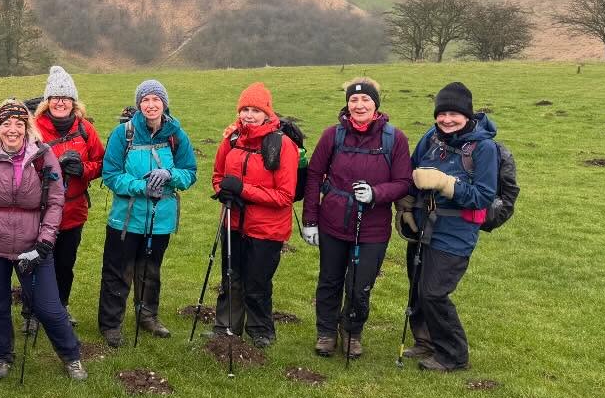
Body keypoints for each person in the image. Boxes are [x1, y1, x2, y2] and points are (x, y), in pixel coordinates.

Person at [0, 98, 85, 379]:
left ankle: (71, 355)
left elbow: (55, 202)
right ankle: (2, 355)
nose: (12, 129)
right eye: (6, 124)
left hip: (33, 246)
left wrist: (44, 243)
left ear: (28, 127)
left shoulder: (43, 156)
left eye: (19, 123)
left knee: (49, 307)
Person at [300, 78, 413, 358]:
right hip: (333, 223)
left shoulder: (394, 138)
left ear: (376, 104)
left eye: (365, 100)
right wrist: (310, 220)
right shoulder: (332, 136)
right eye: (353, 100)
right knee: (330, 280)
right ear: (347, 104)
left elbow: (403, 182)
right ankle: (326, 332)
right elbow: (314, 176)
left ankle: (351, 331)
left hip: (372, 227)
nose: (359, 105)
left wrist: (376, 193)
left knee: (359, 285)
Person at [402, 81, 499, 372]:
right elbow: (412, 170)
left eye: (454, 114)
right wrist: (406, 205)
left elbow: (483, 196)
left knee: (434, 292)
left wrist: (446, 184)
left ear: (467, 115)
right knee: (418, 286)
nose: (446, 119)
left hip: (456, 231)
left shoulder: (483, 148)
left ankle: (454, 355)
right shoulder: (431, 137)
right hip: (422, 224)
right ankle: (425, 341)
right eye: (441, 114)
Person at [98, 80, 197, 347]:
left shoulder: (177, 135)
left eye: (156, 100)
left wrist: (170, 175)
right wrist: (142, 187)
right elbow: (110, 174)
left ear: (164, 103)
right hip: (126, 218)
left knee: (150, 271)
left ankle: (148, 316)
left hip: (160, 219)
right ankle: (111, 324)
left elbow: (190, 173)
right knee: (118, 271)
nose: (151, 105)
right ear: (139, 104)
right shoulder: (123, 134)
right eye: (145, 100)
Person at [211, 82, 296, 348]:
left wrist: (243, 190)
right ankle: (226, 327)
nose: (248, 115)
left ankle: (261, 330)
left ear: (267, 113)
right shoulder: (232, 139)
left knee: (257, 282)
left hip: (267, 229)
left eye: (255, 110)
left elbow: (285, 196)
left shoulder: (283, 145)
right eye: (244, 109)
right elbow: (218, 176)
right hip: (233, 222)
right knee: (230, 277)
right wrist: (223, 191)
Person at [32, 66, 105, 328]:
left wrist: (82, 170)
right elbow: (21, 166)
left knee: (65, 264)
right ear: (47, 101)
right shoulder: (34, 130)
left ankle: (60, 307)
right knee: (36, 262)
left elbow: (102, 162)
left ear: (73, 101)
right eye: (55, 97)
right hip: (38, 211)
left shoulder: (86, 130)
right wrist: (50, 168)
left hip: (73, 212)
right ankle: (32, 313)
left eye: (65, 97)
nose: (60, 102)